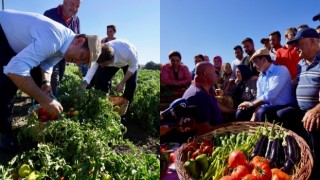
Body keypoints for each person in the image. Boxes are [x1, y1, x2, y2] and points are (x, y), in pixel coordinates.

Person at [0, 9, 101, 150]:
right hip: (3, 32)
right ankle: (4, 134)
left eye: (82, 63)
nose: (78, 63)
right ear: (79, 41)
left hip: (15, 41)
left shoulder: (65, 45)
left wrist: (45, 82)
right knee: (7, 85)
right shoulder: (54, 38)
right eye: (82, 57)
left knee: (33, 76)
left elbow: (46, 64)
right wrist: (45, 100)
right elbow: (14, 69)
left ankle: (35, 123)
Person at [279, 28, 320, 179]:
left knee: (312, 123)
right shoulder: (300, 64)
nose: (295, 48)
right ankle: (295, 159)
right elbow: (296, 80)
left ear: (313, 41)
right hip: (301, 110)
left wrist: (316, 110)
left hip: (315, 111)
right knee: (280, 115)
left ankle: (313, 169)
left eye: (299, 43)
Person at [160, 62, 223, 143]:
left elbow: (215, 104)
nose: (216, 74)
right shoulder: (199, 95)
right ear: (206, 73)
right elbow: (205, 131)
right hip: (210, 139)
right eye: (215, 72)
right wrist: (227, 128)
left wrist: (233, 110)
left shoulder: (206, 89)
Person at [236, 48, 296, 122]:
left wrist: (251, 104)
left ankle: (263, 133)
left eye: (255, 62)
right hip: (268, 107)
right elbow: (259, 99)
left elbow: (271, 94)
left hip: (284, 106)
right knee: (241, 112)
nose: (254, 65)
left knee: (263, 112)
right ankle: (243, 132)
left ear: (264, 60)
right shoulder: (260, 78)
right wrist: (254, 115)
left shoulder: (281, 70)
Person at [81, 39, 138, 110]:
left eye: (103, 64)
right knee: (100, 79)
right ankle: (102, 104)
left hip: (127, 63)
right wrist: (82, 87)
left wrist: (122, 83)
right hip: (111, 60)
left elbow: (132, 68)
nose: (101, 66)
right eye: (100, 64)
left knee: (131, 84)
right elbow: (90, 72)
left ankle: (124, 110)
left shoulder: (128, 53)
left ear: (111, 60)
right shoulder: (98, 54)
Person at [42, 0, 82, 97]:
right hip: (51, 55)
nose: (74, 9)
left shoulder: (76, 20)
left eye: (77, 6)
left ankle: (47, 100)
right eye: (72, 4)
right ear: (64, 1)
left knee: (59, 77)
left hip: (64, 56)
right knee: (52, 80)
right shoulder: (50, 14)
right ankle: (48, 105)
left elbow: (77, 37)